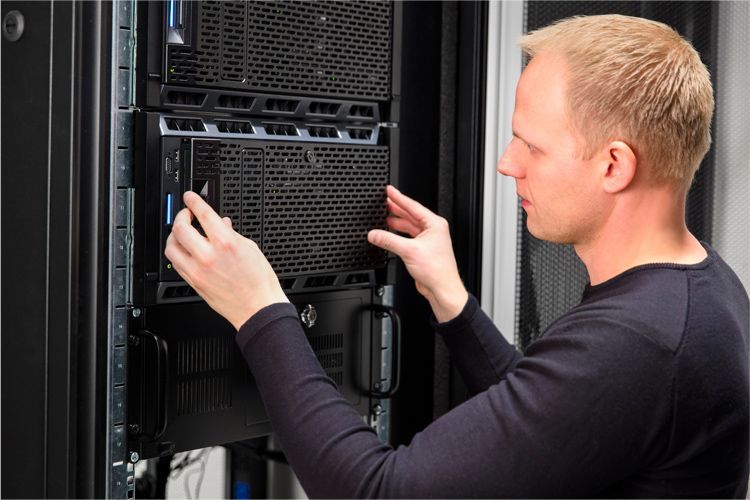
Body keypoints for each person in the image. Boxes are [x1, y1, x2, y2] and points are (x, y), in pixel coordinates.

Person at [165, 14, 749, 498]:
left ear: (614, 166)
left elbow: (377, 493)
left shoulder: (639, 340)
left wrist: (261, 310)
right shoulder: (702, 288)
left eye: (531, 144)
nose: (507, 163)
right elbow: (560, 415)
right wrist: (452, 300)